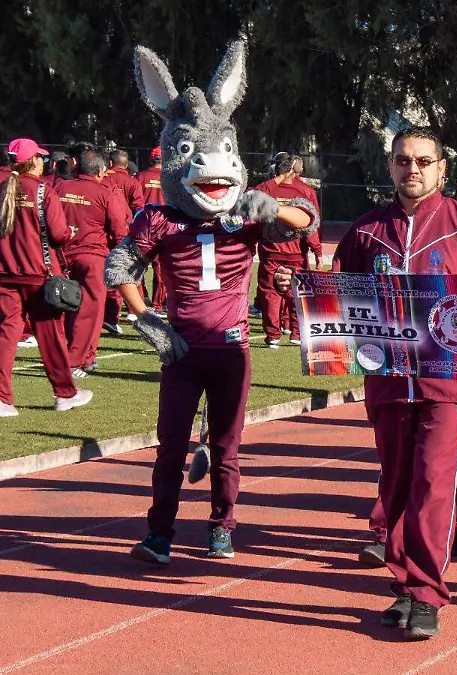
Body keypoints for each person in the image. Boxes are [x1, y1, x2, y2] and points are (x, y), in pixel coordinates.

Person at [278, 128, 457, 639]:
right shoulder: (365, 233)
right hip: (389, 382)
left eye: (424, 161)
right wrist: (304, 297)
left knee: (434, 484)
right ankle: (406, 587)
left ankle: (427, 593)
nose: (414, 169)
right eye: (404, 161)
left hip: (450, 382)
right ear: (389, 167)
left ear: (441, 169)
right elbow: (338, 306)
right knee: (398, 484)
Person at [115, 39, 319, 569]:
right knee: (169, 448)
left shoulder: (245, 216)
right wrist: (149, 322)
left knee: (227, 448)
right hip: (181, 350)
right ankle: (159, 532)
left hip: (231, 348)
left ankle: (221, 526)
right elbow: (121, 270)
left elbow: (306, 222)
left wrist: (274, 204)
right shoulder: (159, 218)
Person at [0, 138, 92, 417]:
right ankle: (65, 393)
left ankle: (2, 399)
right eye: (40, 157)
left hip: (5, 273)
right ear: (33, 161)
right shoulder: (42, 190)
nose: (44, 162)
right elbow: (59, 234)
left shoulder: (3, 189)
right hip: (39, 274)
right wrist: (72, 232)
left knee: (6, 334)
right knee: (51, 336)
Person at [59, 149, 129, 376]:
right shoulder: (104, 192)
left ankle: (86, 357)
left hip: (61, 256)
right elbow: (119, 228)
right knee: (90, 311)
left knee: (68, 307)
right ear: (100, 171)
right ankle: (75, 361)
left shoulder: (60, 187)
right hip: (93, 257)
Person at [250, 152, 318, 347]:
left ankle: (273, 335)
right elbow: (313, 224)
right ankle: (296, 332)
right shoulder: (305, 191)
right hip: (296, 252)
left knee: (270, 293)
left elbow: (251, 199)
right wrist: (317, 250)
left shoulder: (266, 189)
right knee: (296, 291)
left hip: (271, 250)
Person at [102, 148, 144, 334]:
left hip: (100, 234)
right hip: (123, 232)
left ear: (110, 163)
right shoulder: (131, 181)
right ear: (126, 165)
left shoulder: (101, 179)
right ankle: (131, 310)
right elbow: (139, 209)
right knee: (127, 272)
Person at [136, 147, 167, 313]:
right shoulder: (168, 178)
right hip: (163, 227)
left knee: (137, 265)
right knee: (160, 268)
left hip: (143, 227)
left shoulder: (141, 177)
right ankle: (157, 304)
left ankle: (140, 299)